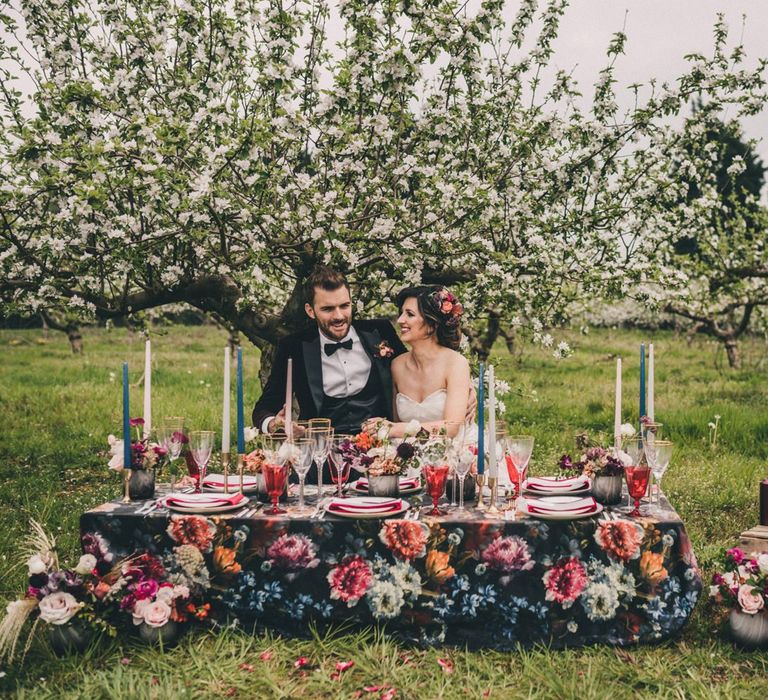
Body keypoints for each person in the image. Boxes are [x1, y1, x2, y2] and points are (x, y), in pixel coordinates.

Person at [251, 266, 408, 482]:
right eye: (327, 309)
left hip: (382, 460)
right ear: (310, 310)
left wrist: (465, 391)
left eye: (345, 306)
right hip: (319, 464)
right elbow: (263, 408)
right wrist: (274, 425)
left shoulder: (379, 332)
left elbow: (415, 372)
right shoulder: (294, 347)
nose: (339, 316)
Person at [362, 285, 472, 439]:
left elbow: (452, 428)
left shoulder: (455, 364)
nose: (400, 320)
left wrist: (394, 429)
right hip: (408, 453)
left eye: (410, 314)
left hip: (454, 450)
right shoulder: (397, 365)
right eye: (401, 313)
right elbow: (397, 421)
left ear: (431, 324)